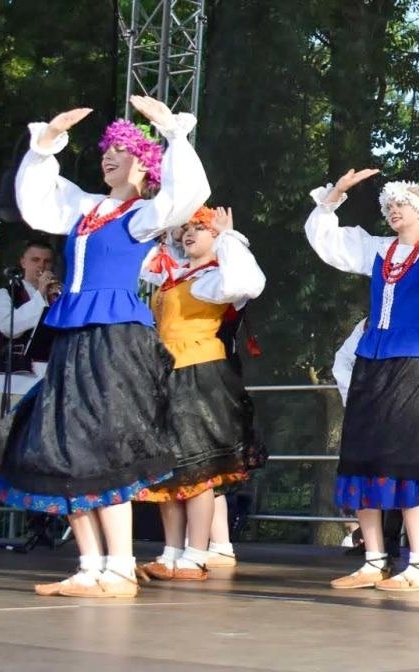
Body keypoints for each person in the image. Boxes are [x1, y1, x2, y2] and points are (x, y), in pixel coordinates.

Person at [0, 97, 210, 598]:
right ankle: (89, 565)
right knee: (63, 443)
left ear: (142, 166)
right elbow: (37, 198)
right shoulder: (83, 207)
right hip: (74, 335)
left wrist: (171, 132)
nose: (109, 159)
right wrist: (46, 145)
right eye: (107, 151)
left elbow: (188, 193)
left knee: (107, 443)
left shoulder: (146, 212)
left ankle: (120, 567)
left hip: (116, 338)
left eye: (121, 153)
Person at [305, 169, 419, 592]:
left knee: (405, 458)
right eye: (389, 205)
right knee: (363, 454)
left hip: (413, 363)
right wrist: (333, 196)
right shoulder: (375, 249)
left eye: (402, 204)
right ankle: (374, 559)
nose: (393, 210)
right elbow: (326, 241)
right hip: (372, 361)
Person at [135, 205, 266, 582]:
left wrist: (228, 237)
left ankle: (196, 553)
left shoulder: (215, 276)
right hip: (166, 372)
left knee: (198, 466)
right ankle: (171, 552)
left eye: (199, 228)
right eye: (186, 229)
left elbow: (246, 283)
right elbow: (144, 260)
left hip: (200, 372)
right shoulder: (175, 275)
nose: (189, 234)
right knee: (169, 469)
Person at [0, 240, 56, 425]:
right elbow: (9, 328)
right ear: (23, 262)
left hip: (48, 384)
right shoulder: (4, 294)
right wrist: (40, 295)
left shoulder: (57, 296)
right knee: (2, 448)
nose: (41, 265)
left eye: (47, 261)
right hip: (13, 383)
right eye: (35, 260)